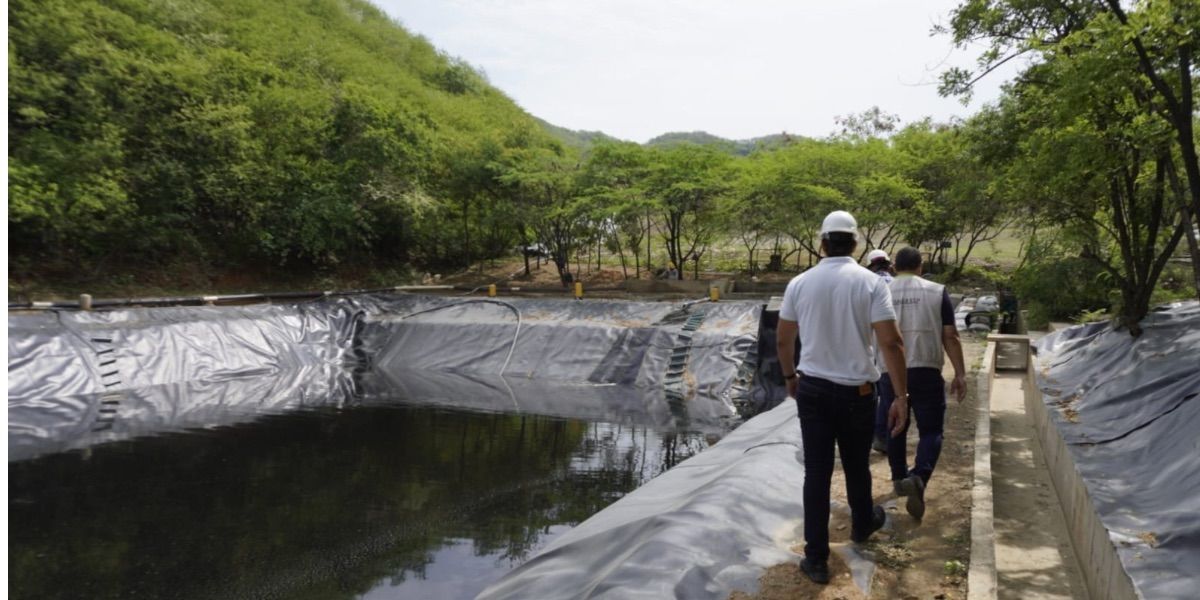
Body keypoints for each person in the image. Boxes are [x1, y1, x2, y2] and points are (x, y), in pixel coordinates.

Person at [776, 210, 910, 585]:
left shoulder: (800, 283)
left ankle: (816, 559)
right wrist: (901, 396)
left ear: (822, 243)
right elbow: (892, 342)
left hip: (813, 389)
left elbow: (784, 338)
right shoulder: (871, 283)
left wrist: (789, 376)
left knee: (817, 473)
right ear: (855, 243)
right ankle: (862, 523)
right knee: (856, 465)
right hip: (859, 393)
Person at [875, 246, 967, 522]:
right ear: (920, 266)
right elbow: (950, 335)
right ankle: (919, 476)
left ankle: (899, 477)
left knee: (895, 426)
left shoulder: (881, 292)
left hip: (891, 371)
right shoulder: (936, 291)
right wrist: (960, 373)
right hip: (926, 368)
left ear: (894, 268)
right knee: (931, 430)